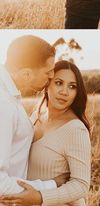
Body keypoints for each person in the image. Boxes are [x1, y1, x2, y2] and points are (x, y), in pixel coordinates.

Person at [0, 60, 91, 206]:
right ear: (47, 83)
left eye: (72, 86)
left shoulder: (75, 129)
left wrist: (40, 197)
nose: (64, 92)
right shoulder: (35, 117)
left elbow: (81, 185)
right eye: (59, 83)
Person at [0, 35, 68, 196]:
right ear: (26, 75)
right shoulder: (4, 105)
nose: (52, 76)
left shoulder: (9, 95)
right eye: (48, 72)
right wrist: (51, 185)